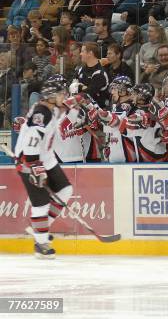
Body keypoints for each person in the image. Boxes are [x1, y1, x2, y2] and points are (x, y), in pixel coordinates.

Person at [13, 77, 74, 258]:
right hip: (29, 161)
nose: (64, 96)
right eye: (61, 93)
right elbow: (32, 139)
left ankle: (39, 228)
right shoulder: (42, 112)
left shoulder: (52, 108)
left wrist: (76, 102)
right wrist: (33, 166)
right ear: (51, 95)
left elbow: (66, 111)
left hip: (47, 159)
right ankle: (41, 245)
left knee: (66, 190)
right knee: (41, 202)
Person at [96, 75, 137, 163]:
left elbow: (114, 123)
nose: (112, 92)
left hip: (125, 149)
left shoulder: (127, 105)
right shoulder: (116, 106)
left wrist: (98, 115)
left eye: (115, 89)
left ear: (123, 90)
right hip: (116, 147)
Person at [76, 41, 110, 107]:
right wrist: (83, 87)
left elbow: (88, 94)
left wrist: (79, 87)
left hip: (97, 111)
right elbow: (71, 85)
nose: (80, 54)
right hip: (80, 106)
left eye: (82, 51)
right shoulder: (81, 69)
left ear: (90, 53)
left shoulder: (100, 73)